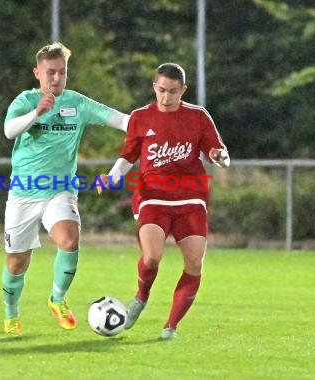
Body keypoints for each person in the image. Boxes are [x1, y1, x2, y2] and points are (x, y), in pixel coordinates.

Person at [1, 42, 129, 336]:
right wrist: (36, 113)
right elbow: (9, 131)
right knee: (17, 262)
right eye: (50, 72)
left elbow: (122, 120)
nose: (56, 78)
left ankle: (57, 300)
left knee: (69, 241)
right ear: (37, 73)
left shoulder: (77, 104)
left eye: (62, 72)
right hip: (23, 193)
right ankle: (11, 313)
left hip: (60, 190)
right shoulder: (25, 100)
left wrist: (156, 124)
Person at [97, 63, 229, 340]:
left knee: (194, 263)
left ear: (183, 90)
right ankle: (141, 297)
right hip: (152, 196)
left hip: (191, 197)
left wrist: (220, 157)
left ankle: (170, 327)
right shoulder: (141, 117)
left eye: (172, 92)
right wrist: (112, 177)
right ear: (154, 87)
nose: (166, 97)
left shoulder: (198, 117)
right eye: (161, 90)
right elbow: (128, 155)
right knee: (153, 256)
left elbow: (218, 152)